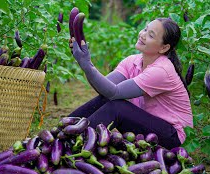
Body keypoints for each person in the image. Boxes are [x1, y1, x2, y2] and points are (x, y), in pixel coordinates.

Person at [68, 18, 193, 150]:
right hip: (146, 126)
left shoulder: (162, 70)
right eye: (145, 29)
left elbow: (114, 92)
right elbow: (104, 90)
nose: (143, 35)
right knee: (105, 99)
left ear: (164, 48)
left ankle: (72, 143)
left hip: (171, 136)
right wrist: (86, 63)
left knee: (117, 106)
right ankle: (64, 129)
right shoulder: (132, 61)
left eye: (151, 35)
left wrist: (87, 65)